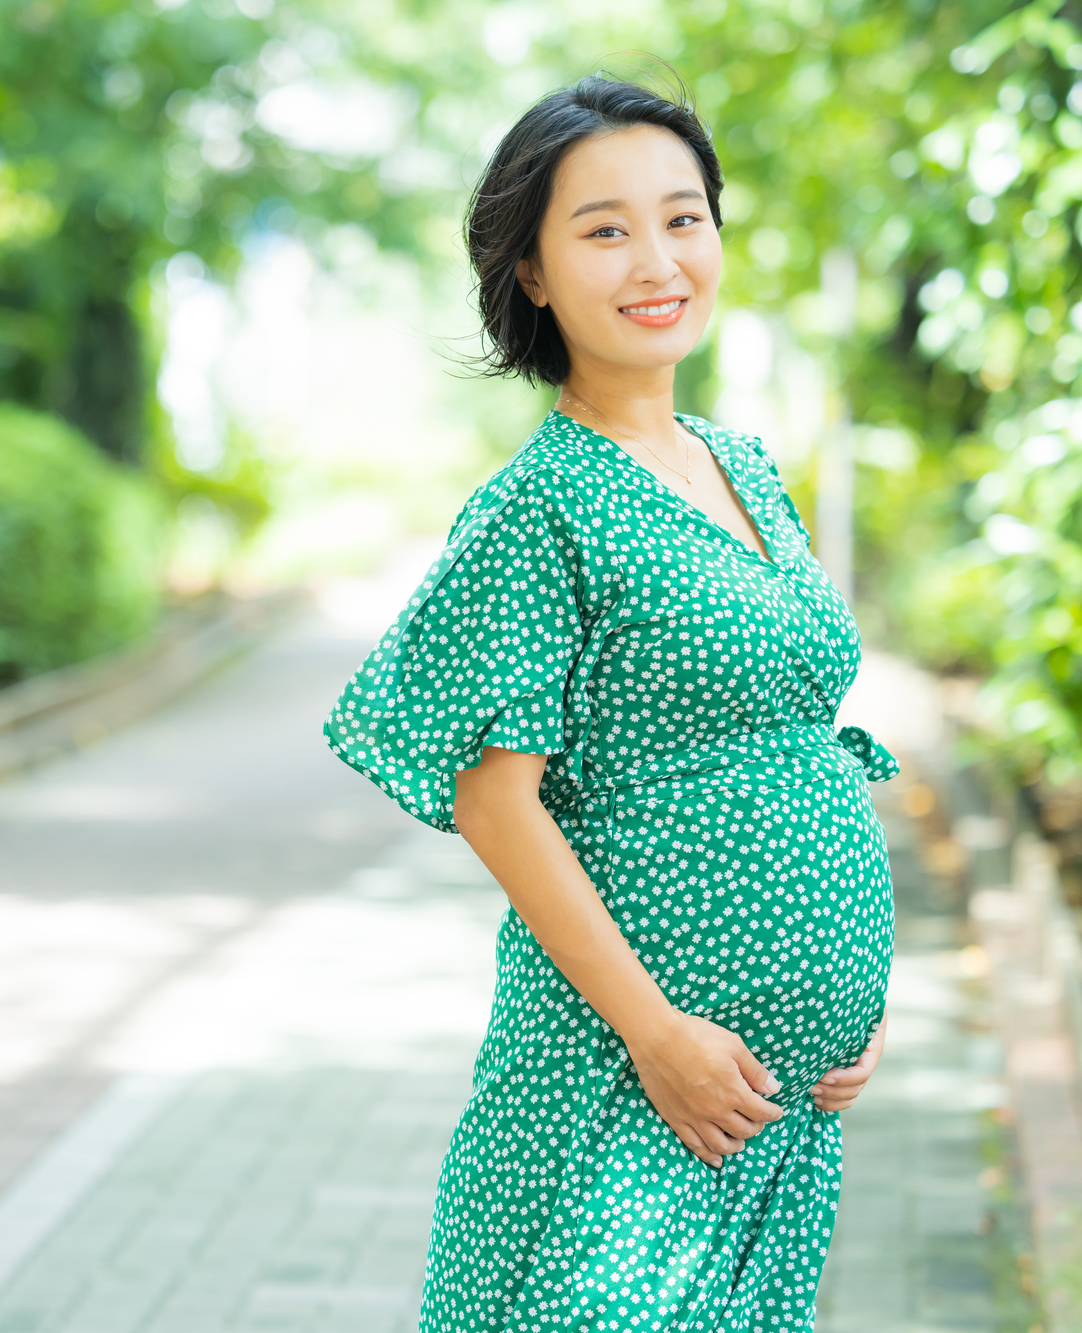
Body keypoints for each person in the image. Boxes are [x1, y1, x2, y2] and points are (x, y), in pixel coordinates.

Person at [323, 71, 896, 1332]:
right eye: (603, 229)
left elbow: (791, 737)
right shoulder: (541, 506)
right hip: (620, 1096)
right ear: (531, 272)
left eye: (682, 217)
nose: (656, 258)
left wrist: (835, 995)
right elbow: (495, 805)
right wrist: (654, 1033)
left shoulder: (743, 466)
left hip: (773, 1115)